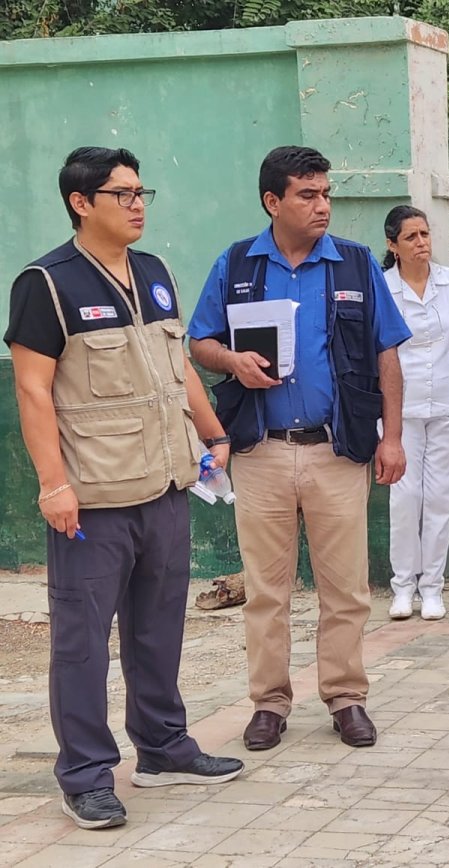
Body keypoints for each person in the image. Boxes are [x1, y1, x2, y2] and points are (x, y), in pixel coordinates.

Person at [5, 147, 243, 830]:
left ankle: (164, 748)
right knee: (82, 642)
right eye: (123, 193)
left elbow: (179, 364)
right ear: (82, 202)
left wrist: (213, 431)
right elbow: (32, 389)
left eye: (143, 192)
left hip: (166, 487)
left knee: (158, 630)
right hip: (94, 500)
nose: (139, 204)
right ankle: (84, 774)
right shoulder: (46, 284)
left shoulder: (155, 273)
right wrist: (53, 483)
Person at [189, 146, 411, 753]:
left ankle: (346, 698)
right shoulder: (237, 265)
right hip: (259, 452)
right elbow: (199, 342)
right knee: (267, 590)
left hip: (337, 452)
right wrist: (231, 359)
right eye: (307, 195)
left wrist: (392, 437)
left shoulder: (356, 266)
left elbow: (388, 353)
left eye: (325, 193)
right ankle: (269, 704)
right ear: (273, 201)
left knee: (347, 589)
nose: (322, 205)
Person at [380, 205, 449, 622]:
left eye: (425, 234)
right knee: (405, 496)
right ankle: (403, 586)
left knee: (440, 497)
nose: (422, 243)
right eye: (411, 237)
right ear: (392, 245)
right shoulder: (383, 288)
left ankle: (432, 588)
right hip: (402, 406)